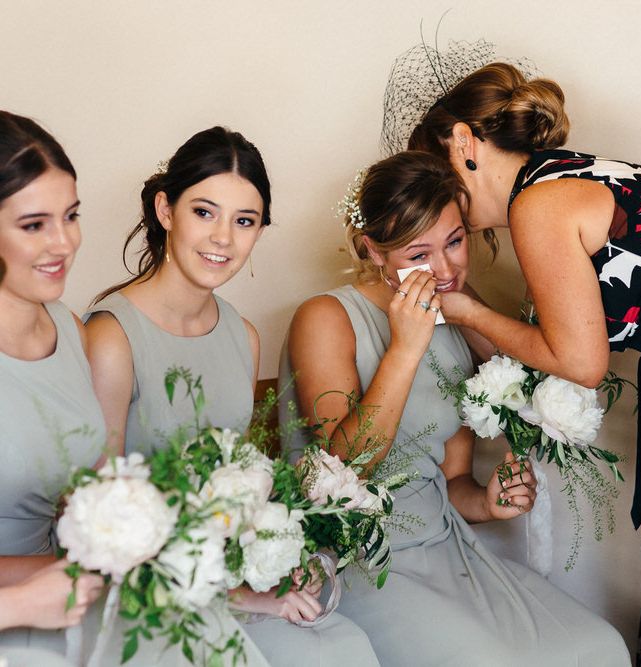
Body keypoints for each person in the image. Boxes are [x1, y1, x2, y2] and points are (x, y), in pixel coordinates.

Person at [406, 59, 641, 666]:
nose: (436, 197)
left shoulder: (538, 205)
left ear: (464, 143)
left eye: (434, 173)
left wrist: (469, 313)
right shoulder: (569, 175)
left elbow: (578, 361)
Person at [281, 150, 630, 666]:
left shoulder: (458, 311)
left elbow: (452, 481)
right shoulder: (326, 317)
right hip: (358, 558)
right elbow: (347, 465)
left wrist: (488, 505)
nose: (445, 271)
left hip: (448, 547)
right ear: (372, 249)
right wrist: (405, 346)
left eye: (455, 241)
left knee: (598, 647)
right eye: (419, 253)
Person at [84, 127, 379, 666]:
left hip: (218, 570)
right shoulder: (111, 338)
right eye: (204, 212)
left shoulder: (243, 336)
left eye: (244, 221)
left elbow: (237, 479)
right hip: (140, 587)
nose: (223, 237)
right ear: (165, 210)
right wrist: (246, 596)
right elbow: (104, 521)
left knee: (346, 648)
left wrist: (274, 551)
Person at [0, 111, 107, 659]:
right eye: (34, 224)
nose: (63, 243)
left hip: (72, 592)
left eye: (71, 216)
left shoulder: (68, 325)